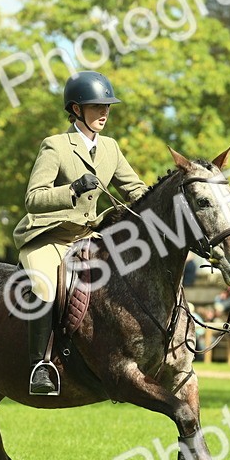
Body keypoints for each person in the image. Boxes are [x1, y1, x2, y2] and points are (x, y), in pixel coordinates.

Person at [12, 70, 147, 395]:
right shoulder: (55, 146)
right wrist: (71, 190)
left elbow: (135, 190)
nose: (104, 112)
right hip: (50, 236)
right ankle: (40, 366)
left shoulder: (111, 148)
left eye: (107, 106)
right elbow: (33, 199)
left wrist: (162, 205)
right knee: (45, 287)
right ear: (76, 109)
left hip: (88, 236)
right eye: (97, 106)